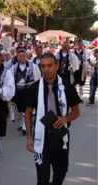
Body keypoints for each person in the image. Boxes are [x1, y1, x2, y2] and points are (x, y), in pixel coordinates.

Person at [26, 53, 81, 185]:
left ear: (56, 66)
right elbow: (28, 113)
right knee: (42, 178)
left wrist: (65, 118)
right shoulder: (34, 88)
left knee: (60, 173)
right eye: (43, 66)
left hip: (60, 137)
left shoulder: (67, 86)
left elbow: (76, 112)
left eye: (50, 65)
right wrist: (29, 137)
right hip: (42, 138)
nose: (47, 69)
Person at [10, 48, 41, 135]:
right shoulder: (14, 67)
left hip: (28, 90)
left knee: (26, 108)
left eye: (24, 56)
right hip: (18, 91)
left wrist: (36, 90)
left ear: (26, 56)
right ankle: (22, 123)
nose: (22, 58)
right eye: (20, 56)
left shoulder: (33, 66)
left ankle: (25, 125)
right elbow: (10, 79)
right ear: (18, 57)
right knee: (20, 108)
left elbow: (37, 78)